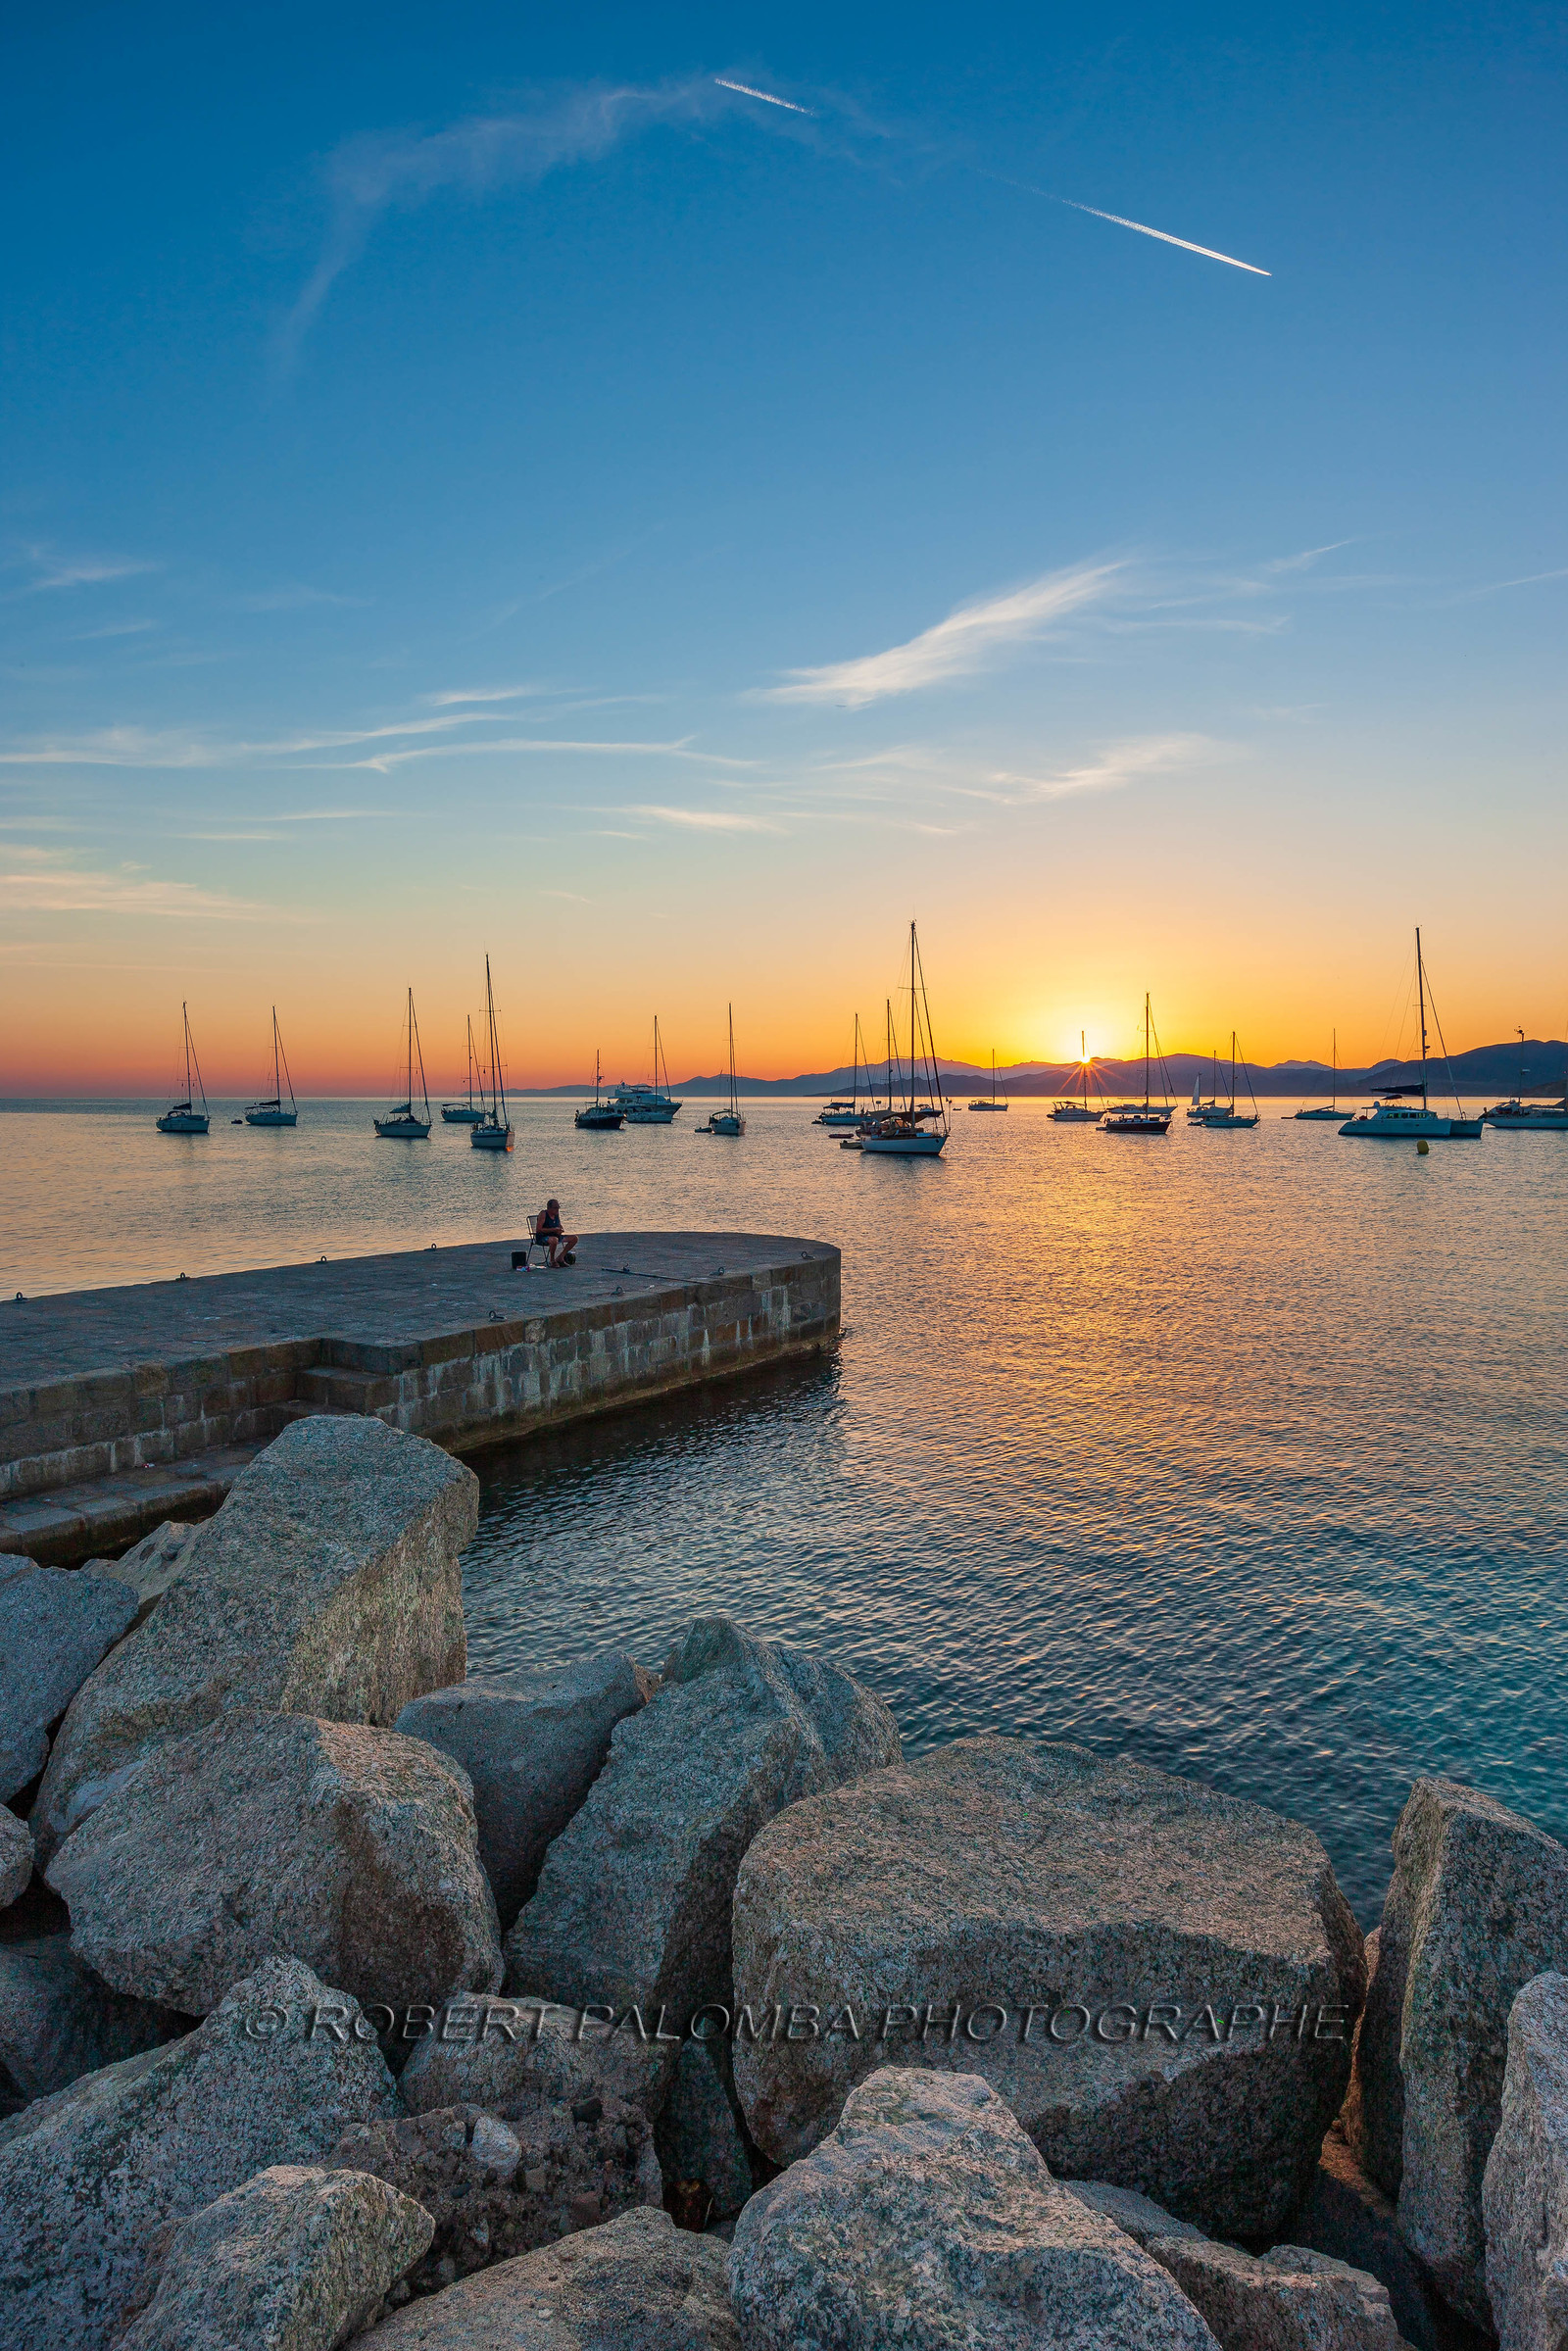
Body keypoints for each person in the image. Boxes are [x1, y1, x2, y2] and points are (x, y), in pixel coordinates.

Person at [535, 1198, 577, 1267]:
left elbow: (559, 1224)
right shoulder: (543, 1214)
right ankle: (552, 1260)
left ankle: (561, 1257)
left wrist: (560, 1229)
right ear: (549, 1208)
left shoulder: (556, 1214)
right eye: (555, 1208)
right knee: (554, 1240)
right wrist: (553, 1230)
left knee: (574, 1238)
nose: (557, 1209)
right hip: (543, 1237)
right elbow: (538, 1229)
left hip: (556, 1236)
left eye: (558, 1207)